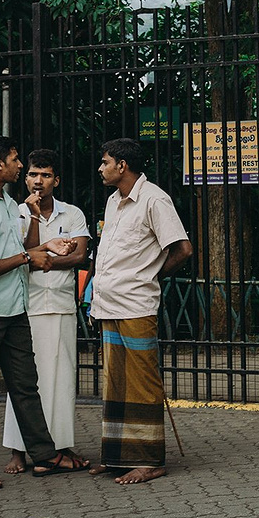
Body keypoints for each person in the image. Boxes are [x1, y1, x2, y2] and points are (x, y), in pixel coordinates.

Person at [0, 135, 89, 491]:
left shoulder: (4, 203)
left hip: (15, 310)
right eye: (16, 160)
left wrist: (42, 246)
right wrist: (30, 257)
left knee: (26, 388)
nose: (21, 167)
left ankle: (45, 455)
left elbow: (21, 247)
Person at [89, 138, 193, 485]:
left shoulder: (154, 199)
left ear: (122, 165)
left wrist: (153, 273)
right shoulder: (112, 202)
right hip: (109, 303)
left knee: (143, 382)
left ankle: (150, 460)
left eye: (105, 162)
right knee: (115, 381)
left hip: (136, 304)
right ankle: (117, 456)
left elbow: (182, 249)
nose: (101, 168)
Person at [2, 148, 91, 474]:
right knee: (24, 380)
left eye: (45, 175)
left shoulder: (73, 214)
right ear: (26, 178)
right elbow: (25, 254)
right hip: (28, 307)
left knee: (62, 378)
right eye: (33, 175)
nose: (39, 181)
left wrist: (45, 260)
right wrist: (36, 217)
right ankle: (18, 450)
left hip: (63, 306)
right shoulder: (18, 214)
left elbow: (80, 256)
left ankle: (59, 446)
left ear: (56, 179)